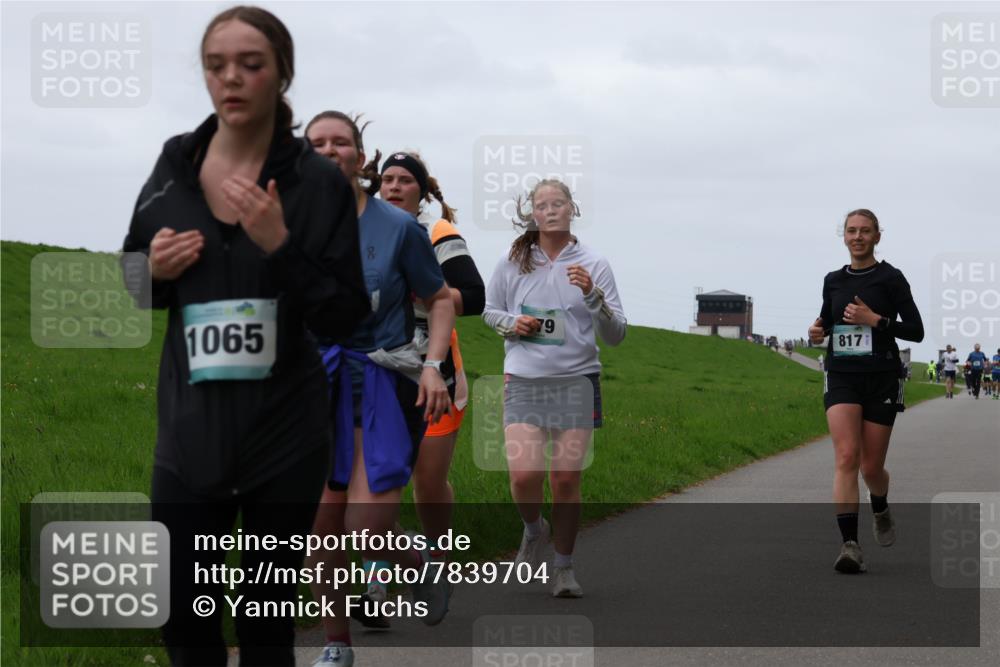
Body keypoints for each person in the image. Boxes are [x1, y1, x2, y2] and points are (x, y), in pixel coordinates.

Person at [121, 7, 370, 665]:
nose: (231, 78)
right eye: (216, 64)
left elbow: (345, 315)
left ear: (281, 74)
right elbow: (131, 283)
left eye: (251, 65)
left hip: (283, 436)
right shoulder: (176, 161)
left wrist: (279, 246)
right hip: (188, 433)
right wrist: (154, 271)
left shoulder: (317, 183)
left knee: (264, 629)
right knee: (182, 618)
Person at [303, 111, 455, 667]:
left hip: (381, 386)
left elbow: (440, 299)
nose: (328, 150)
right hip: (314, 389)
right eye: (315, 143)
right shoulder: (286, 226)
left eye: (340, 142)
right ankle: (336, 645)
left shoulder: (399, 228)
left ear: (360, 159)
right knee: (322, 529)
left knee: (365, 530)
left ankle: (415, 560)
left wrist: (433, 365)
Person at [350, 151, 485, 627]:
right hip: (376, 368)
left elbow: (475, 295)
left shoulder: (436, 233)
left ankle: (436, 564)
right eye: (386, 179)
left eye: (405, 180)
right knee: (379, 481)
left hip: (436, 372)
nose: (393, 187)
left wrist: (422, 287)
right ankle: (376, 586)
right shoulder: (362, 232)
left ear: (422, 191)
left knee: (427, 481)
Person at [483, 179, 627, 597]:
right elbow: (489, 312)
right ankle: (534, 529)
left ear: (571, 209)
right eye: (541, 204)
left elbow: (617, 335)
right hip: (525, 380)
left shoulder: (594, 263)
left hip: (577, 382)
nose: (550, 210)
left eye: (558, 203)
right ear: (532, 213)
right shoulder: (514, 261)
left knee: (565, 481)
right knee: (524, 475)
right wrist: (513, 323)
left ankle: (564, 568)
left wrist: (593, 294)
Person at [807, 209, 923, 574]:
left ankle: (881, 503)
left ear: (877, 236)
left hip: (882, 378)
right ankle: (850, 545)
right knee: (846, 457)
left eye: (865, 231)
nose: (857, 236)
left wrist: (875, 321)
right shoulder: (832, 280)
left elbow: (916, 331)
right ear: (843, 236)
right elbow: (826, 318)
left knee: (871, 468)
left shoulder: (891, 278)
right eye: (851, 230)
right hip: (842, 374)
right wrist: (817, 331)